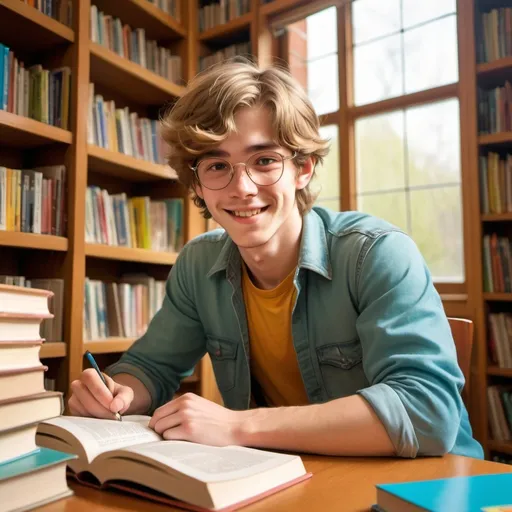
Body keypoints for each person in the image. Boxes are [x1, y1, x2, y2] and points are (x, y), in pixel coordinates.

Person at [69, 58, 483, 459]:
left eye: (264, 161)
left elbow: (427, 413)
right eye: (217, 165)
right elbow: (151, 367)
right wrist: (115, 392)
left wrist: (238, 427)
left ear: (302, 168)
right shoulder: (197, 265)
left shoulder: (377, 254)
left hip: (426, 487)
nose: (242, 187)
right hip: (292, 479)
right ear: (197, 185)